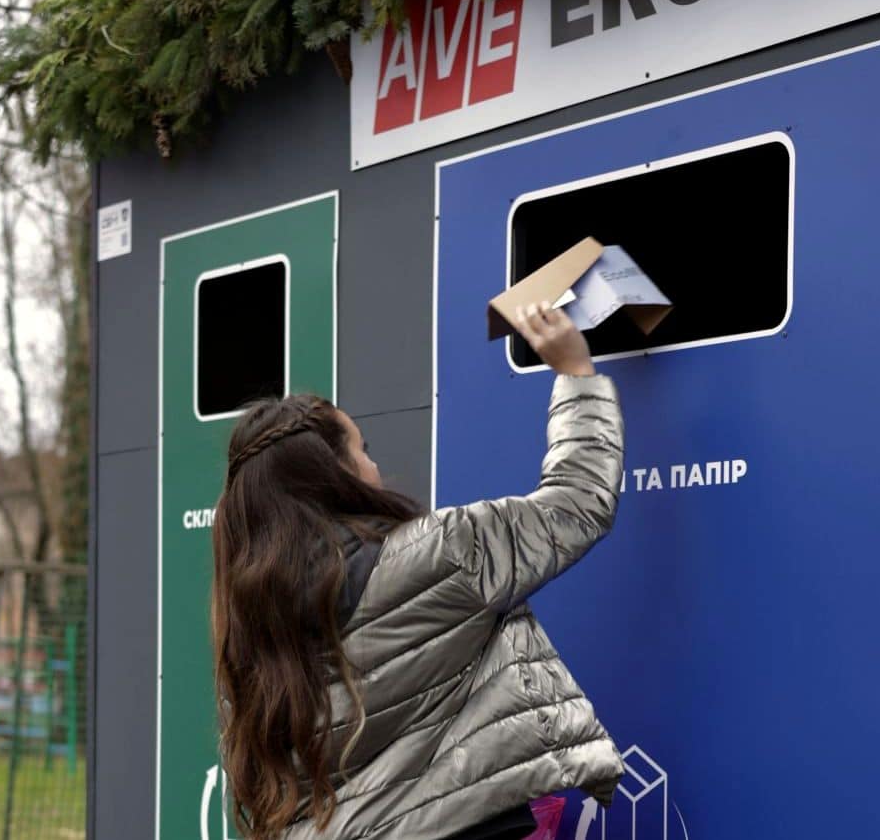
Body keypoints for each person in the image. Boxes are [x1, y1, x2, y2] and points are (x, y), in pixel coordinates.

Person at [212, 302, 625, 840]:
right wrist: (576, 373)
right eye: (363, 449)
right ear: (332, 474)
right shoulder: (442, 553)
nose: (374, 467)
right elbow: (576, 504)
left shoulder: (249, 630)